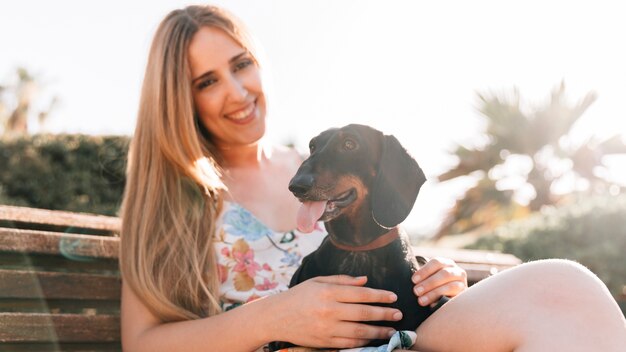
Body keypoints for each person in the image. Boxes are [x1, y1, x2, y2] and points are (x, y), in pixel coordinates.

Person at [119, 4, 626, 352]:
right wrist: (274, 317)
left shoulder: (326, 165)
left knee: (566, 287)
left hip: (407, 335)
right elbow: (141, 344)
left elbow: (392, 243)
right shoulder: (174, 198)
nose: (236, 91)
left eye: (241, 64)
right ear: (178, 98)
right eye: (207, 81)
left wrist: (440, 281)